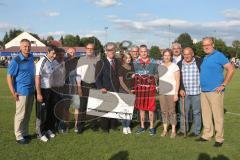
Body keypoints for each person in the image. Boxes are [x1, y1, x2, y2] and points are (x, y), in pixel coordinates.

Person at [197, 37, 234, 147]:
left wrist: (224, 84)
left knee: (218, 115)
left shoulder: (219, 55)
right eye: (204, 45)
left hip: (215, 91)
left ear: (213, 44)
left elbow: (231, 69)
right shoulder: (205, 57)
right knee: (206, 115)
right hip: (204, 91)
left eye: (208, 44)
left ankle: (219, 138)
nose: (206, 47)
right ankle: (207, 135)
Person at [7, 39, 35, 144]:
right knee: (20, 115)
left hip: (31, 90)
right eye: (24, 46)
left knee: (27, 114)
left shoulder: (31, 57)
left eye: (28, 46)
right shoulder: (16, 60)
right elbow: (9, 77)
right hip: (21, 91)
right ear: (20, 47)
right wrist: (13, 92)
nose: (27, 48)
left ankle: (25, 133)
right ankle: (18, 136)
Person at [95, 42, 120, 133]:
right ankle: (105, 128)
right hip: (105, 89)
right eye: (109, 50)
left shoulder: (118, 61)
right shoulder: (100, 62)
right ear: (106, 51)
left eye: (113, 49)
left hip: (116, 89)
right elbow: (97, 77)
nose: (111, 51)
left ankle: (113, 126)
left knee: (115, 109)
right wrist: (100, 87)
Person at [177, 47, 202, 137]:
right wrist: (180, 88)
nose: (186, 56)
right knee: (183, 112)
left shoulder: (199, 62)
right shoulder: (179, 64)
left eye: (188, 54)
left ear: (192, 54)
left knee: (197, 112)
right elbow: (178, 79)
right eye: (185, 54)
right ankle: (183, 130)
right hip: (184, 92)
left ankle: (197, 131)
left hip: (197, 92)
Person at [134, 44, 158, 136]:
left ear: (147, 52)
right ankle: (142, 126)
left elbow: (157, 74)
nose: (143, 53)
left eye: (145, 51)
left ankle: (151, 127)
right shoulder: (136, 62)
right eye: (142, 51)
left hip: (150, 88)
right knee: (141, 108)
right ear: (139, 52)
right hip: (140, 88)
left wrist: (153, 78)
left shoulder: (153, 62)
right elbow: (134, 75)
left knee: (151, 108)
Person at [35, 46, 57, 142]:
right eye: (53, 53)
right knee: (42, 113)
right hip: (43, 90)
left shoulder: (52, 62)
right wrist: (39, 93)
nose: (54, 55)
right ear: (47, 52)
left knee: (49, 112)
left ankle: (48, 129)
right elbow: (37, 78)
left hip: (51, 90)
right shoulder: (41, 61)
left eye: (55, 53)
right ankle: (39, 133)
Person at [76, 42, 100, 133]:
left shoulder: (98, 60)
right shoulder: (81, 60)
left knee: (94, 106)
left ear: (94, 50)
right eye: (88, 48)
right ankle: (80, 127)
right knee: (82, 107)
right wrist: (79, 87)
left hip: (94, 85)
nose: (90, 50)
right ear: (86, 49)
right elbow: (78, 74)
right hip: (84, 85)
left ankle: (94, 125)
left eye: (91, 49)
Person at [158, 49, 180, 138]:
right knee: (164, 111)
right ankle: (165, 129)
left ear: (171, 56)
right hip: (162, 93)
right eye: (165, 55)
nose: (166, 57)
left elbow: (177, 81)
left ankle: (173, 130)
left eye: (168, 55)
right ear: (163, 56)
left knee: (172, 112)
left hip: (171, 93)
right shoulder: (160, 66)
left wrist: (176, 94)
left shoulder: (175, 66)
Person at [118, 52, 135, 134]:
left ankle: (128, 126)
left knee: (129, 110)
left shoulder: (132, 67)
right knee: (124, 110)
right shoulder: (121, 68)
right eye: (127, 58)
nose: (129, 59)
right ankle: (124, 126)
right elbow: (121, 82)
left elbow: (133, 79)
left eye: (130, 58)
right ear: (124, 59)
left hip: (131, 91)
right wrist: (128, 91)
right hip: (123, 91)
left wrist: (132, 89)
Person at [64, 47, 79, 133]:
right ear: (67, 52)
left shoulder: (78, 62)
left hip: (75, 88)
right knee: (67, 108)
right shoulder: (63, 61)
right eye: (70, 52)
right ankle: (67, 125)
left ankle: (76, 125)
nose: (72, 54)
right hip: (66, 89)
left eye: (73, 52)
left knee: (76, 107)